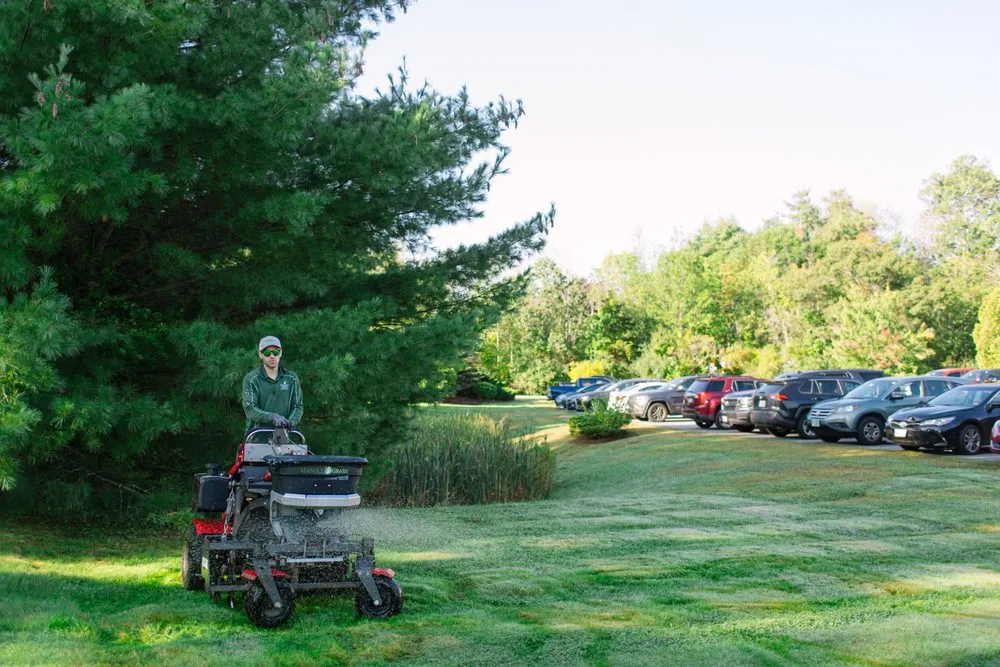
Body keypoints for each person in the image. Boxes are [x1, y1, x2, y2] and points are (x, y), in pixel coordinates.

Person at [242, 335, 304, 433]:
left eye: (276, 352)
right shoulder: (251, 379)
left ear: (281, 353)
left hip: (287, 437)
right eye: (267, 352)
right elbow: (250, 409)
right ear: (260, 354)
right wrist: (272, 417)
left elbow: (297, 406)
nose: (272, 356)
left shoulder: (291, 378)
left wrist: (289, 423)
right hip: (257, 437)